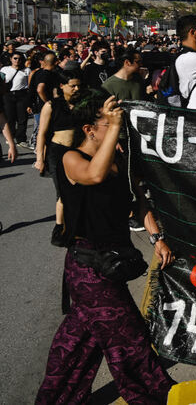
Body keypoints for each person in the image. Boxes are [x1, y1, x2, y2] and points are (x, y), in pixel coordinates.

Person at [36, 92, 174, 404]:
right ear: (89, 129)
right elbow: (93, 175)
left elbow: (138, 199)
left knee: (76, 344)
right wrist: (114, 127)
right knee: (130, 338)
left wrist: (157, 238)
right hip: (88, 268)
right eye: (109, 122)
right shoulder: (71, 159)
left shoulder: (118, 159)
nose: (119, 126)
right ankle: (156, 397)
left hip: (112, 263)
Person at [34, 69, 83, 245]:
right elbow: (42, 133)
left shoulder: (82, 104)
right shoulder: (51, 105)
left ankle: (77, 227)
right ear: (62, 86)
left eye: (79, 85)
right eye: (73, 86)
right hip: (58, 152)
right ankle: (60, 228)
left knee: (78, 188)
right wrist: (40, 158)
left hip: (78, 152)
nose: (77, 89)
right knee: (63, 192)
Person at [1, 50, 30, 148]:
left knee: (22, 118)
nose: (17, 60)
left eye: (19, 59)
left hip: (22, 94)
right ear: (10, 59)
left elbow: (28, 84)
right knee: (10, 117)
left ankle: (21, 139)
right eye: (15, 58)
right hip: (8, 95)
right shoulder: (5, 69)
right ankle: (11, 137)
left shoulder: (26, 70)